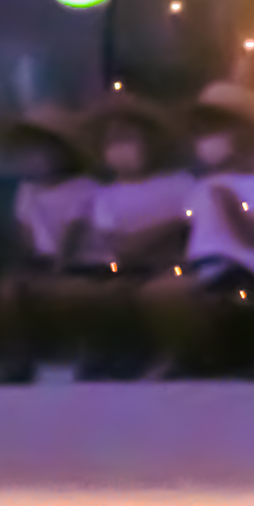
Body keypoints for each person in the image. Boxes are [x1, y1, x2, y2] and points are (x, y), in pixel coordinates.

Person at [136, 82, 254, 376]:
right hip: (202, 268)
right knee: (157, 293)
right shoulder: (202, 186)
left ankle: (203, 357)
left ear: (243, 137)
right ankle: (189, 355)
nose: (207, 141)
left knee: (172, 296)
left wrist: (231, 205)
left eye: (216, 131)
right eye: (202, 132)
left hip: (238, 271)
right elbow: (187, 228)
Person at [0, 103, 103, 383]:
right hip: (40, 264)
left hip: (81, 266)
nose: (35, 158)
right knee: (6, 291)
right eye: (29, 150)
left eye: (43, 149)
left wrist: (54, 270)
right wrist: (27, 267)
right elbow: (25, 237)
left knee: (61, 293)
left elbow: (73, 238)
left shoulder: (84, 188)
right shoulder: (26, 191)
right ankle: (16, 360)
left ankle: (84, 355)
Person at [79, 91, 194, 377]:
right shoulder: (103, 196)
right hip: (122, 270)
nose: (121, 148)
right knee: (107, 293)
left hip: (175, 268)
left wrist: (168, 234)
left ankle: (172, 358)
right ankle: (113, 359)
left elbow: (190, 227)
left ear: (151, 143)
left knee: (165, 293)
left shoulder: (180, 184)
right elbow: (119, 244)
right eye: (113, 140)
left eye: (129, 138)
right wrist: (168, 227)